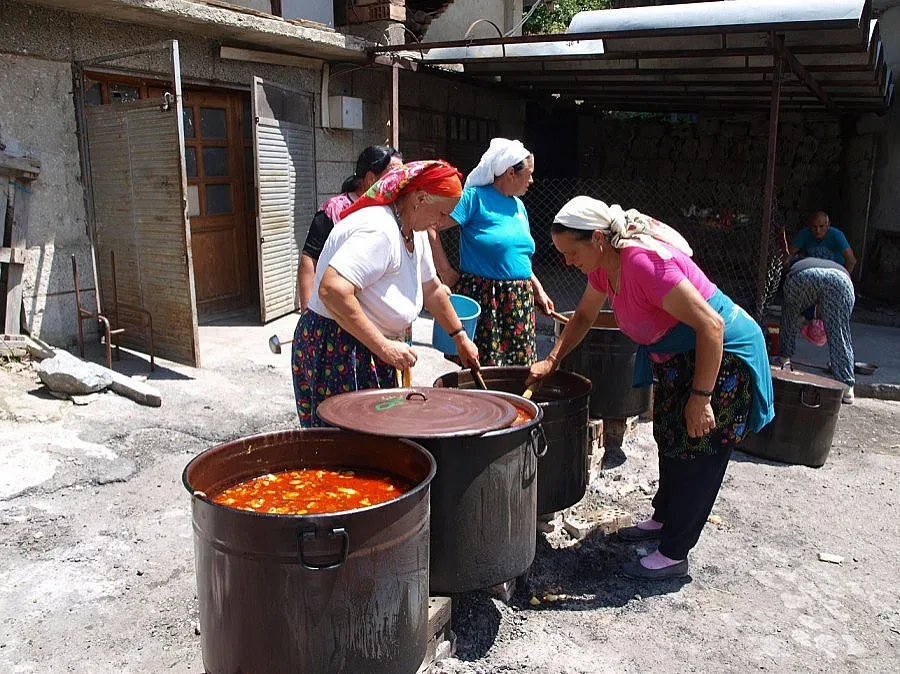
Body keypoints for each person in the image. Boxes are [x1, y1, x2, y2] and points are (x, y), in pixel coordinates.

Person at [528, 196, 774, 581]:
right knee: (671, 437)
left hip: (722, 357)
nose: (566, 262)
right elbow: (584, 316)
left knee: (700, 450)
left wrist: (701, 398)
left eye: (570, 252)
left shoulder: (643, 265)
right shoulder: (601, 269)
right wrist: (552, 359)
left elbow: (712, 327)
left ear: (596, 239)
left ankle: (675, 554)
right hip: (679, 356)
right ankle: (664, 519)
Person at [292, 160, 480, 427]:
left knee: (377, 436)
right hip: (340, 346)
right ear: (420, 198)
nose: (440, 223)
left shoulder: (416, 231)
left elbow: (432, 289)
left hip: (369, 345)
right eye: (441, 213)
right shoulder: (380, 230)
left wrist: (460, 337)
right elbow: (332, 290)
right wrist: (384, 347)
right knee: (349, 442)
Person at [429, 138, 554, 366]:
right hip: (486, 299)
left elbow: (520, 254)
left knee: (518, 370)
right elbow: (430, 224)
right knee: (483, 370)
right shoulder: (474, 198)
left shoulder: (518, 206)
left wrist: (538, 289)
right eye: (529, 173)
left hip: (518, 301)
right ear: (510, 173)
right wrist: (444, 271)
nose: (532, 180)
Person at [297, 145, 403, 311]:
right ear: (371, 179)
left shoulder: (398, 211)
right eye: (393, 176)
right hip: (339, 311)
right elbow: (310, 258)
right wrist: (307, 311)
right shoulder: (334, 210)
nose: (400, 183)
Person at [778, 257, 856, 403]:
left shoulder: (797, 265)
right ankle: (847, 387)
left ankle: (784, 358)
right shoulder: (844, 281)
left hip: (802, 276)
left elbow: (794, 313)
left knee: (789, 316)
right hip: (841, 281)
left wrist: (800, 319)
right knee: (839, 332)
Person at [790, 211, 857, 274]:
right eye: (814, 227)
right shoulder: (804, 234)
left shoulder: (837, 235)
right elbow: (789, 254)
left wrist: (845, 278)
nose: (818, 231)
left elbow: (851, 261)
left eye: (821, 226)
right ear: (809, 226)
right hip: (811, 272)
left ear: (828, 225)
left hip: (834, 272)